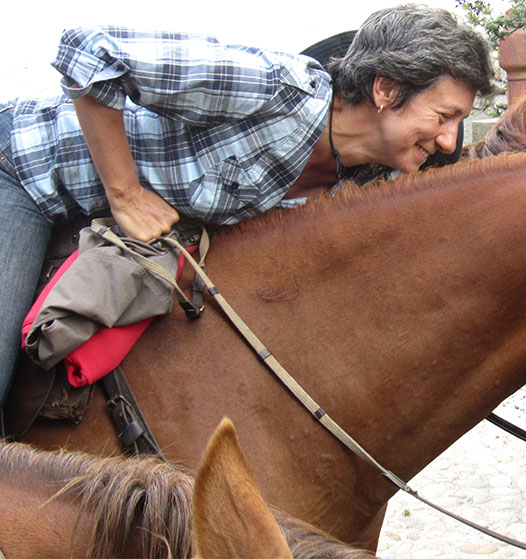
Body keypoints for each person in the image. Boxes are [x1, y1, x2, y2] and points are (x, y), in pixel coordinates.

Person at [0, 4, 494, 410]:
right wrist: (126, 193)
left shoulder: (374, 176)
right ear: (386, 90)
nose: (450, 141)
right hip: (24, 170)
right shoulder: (275, 90)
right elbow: (90, 52)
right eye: (444, 116)